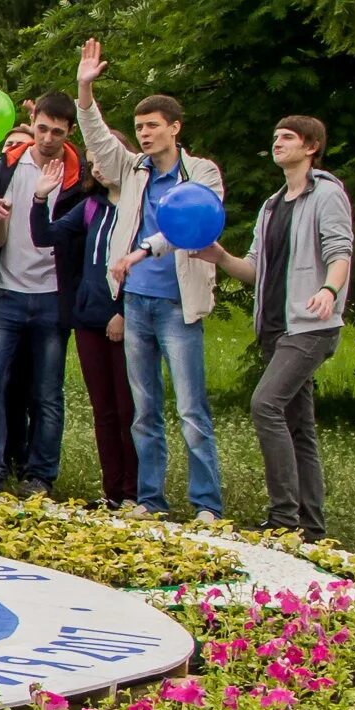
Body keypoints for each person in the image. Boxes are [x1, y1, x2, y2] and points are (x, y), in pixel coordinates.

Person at [78, 40, 228, 522]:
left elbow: (188, 227)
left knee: (190, 409)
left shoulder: (201, 171)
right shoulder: (133, 169)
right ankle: (150, 500)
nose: (143, 134)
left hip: (178, 304)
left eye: (152, 126)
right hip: (137, 301)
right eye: (139, 127)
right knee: (145, 411)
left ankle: (206, 504)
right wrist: (85, 90)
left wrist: (140, 251)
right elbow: (99, 139)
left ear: (175, 128)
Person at [200, 115, 353, 539]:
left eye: (287, 137)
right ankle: (312, 526)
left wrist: (328, 289)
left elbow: (341, 252)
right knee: (299, 425)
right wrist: (221, 258)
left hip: (311, 326)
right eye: (275, 137)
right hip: (274, 327)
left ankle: (284, 517)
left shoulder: (327, 195)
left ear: (311, 146)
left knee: (265, 404)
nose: (277, 143)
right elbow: (254, 270)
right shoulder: (271, 206)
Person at [0, 78, 82, 497]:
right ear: (31, 122)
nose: (49, 139)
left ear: (70, 132)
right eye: (43, 129)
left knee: (47, 391)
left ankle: (40, 475)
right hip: (6, 292)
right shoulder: (9, 167)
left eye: (59, 132)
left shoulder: (77, 175)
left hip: (52, 295)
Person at [29, 161, 138, 509]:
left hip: (124, 316)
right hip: (88, 318)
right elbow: (45, 236)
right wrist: (39, 199)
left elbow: (145, 262)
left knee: (128, 408)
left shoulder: (136, 206)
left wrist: (121, 311)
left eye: (106, 160)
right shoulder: (92, 205)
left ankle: (136, 491)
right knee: (103, 408)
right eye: (94, 163)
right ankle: (113, 491)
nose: (99, 168)